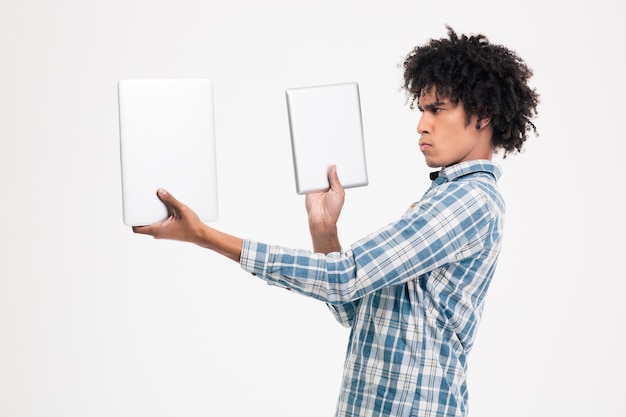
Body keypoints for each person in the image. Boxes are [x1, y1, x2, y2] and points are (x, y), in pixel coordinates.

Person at [133, 26, 539, 417]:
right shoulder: (444, 197)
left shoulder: (468, 201)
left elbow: (346, 276)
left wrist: (203, 235)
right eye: (421, 110)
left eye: (436, 109)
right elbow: (353, 310)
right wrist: (323, 230)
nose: (421, 124)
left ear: (483, 114)